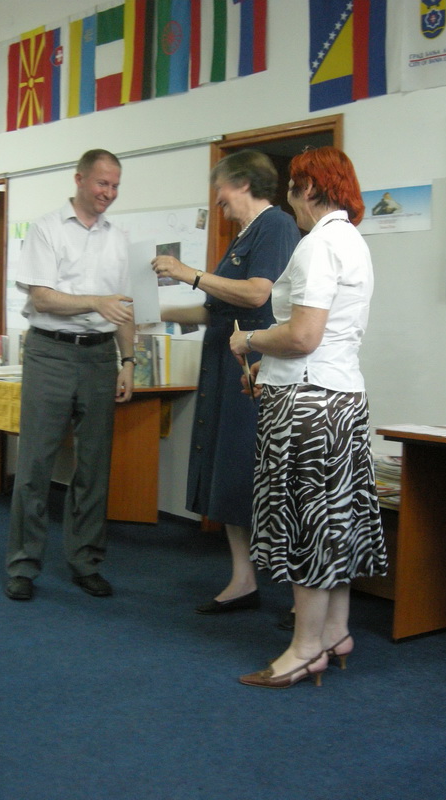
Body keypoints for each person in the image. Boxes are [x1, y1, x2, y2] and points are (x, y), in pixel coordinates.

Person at [230, 146, 388, 688]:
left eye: (293, 188)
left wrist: (248, 341)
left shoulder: (319, 244)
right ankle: (335, 632)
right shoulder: (352, 240)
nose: (289, 199)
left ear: (311, 189)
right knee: (333, 521)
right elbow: (322, 336)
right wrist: (269, 363)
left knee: (306, 526)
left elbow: (302, 336)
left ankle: (304, 649)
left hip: (306, 404)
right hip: (339, 397)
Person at [152, 150, 300, 614]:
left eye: (220, 188)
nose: (217, 199)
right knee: (229, 472)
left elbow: (257, 293)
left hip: (255, 368)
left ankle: (303, 598)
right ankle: (243, 579)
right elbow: (214, 309)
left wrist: (189, 274)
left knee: (261, 474)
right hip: (223, 362)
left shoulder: (276, 226)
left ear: (242, 183)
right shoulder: (243, 235)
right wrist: (150, 312)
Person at [5, 149, 136, 602]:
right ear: (79, 179)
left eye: (115, 186)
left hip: (100, 357)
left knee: (94, 467)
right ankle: (23, 564)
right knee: (35, 464)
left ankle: (86, 561)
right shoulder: (46, 229)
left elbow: (125, 308)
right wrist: (96, 302)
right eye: (102, 183)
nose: (109, 193)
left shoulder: (118, 239)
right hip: (50, 353)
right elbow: (42, 298)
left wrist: (128, 361)